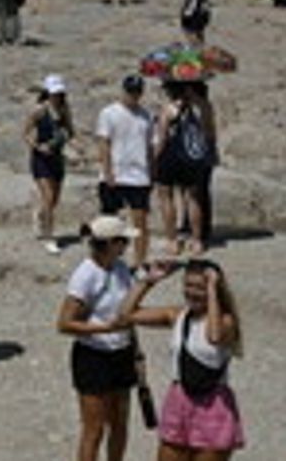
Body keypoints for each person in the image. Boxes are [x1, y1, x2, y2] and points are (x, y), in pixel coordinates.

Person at [118, 258, 245, 459]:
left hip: (213, 405)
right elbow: (126, 314)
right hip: (179, 399)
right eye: (188, 285)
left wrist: (212, 288)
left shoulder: (226, 321)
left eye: (199, 287)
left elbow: (214, 336)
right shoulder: (178, 315)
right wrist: (148, 281)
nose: (192, 293)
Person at [58, 215, 141, 461]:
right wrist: (106, 329)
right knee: (94, 429)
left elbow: (127, 313)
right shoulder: (86, 275)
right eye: (123, 241)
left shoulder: (121, 268)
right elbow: (64, 323)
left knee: (120, 423)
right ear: (112, 243)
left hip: (122, 352)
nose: (126, 245)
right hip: (94, 356)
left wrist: (136, 349)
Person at [97, 74, 155, 266]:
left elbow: (149, 147)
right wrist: (108, 172)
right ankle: (106, 260)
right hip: (115, 174)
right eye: (130, 92)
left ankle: (139, 262)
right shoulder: (109, 113)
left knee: (140, 222)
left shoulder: (146, 116)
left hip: (139, 176)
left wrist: (152, 172)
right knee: (109, 225)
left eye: (137, 92)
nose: (134, 96)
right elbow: (104, 143)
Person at [154, 82, 217, 257]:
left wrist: (154, 160)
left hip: (171, 156)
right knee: (193, 198)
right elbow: (211, 133)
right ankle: (196, 241)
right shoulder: (203, 107)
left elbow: (162, 137)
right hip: (193, 158)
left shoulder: (169, 108)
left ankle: (172, 241)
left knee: (166, 197)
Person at [26, 74, 75, 255]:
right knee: (48, 195)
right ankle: (49, 237)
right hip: (41, 159)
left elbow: (71, 131)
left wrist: (64, 139)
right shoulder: (39, 111)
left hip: (56, 157)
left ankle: (40, 217)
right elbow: (26, 133)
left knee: (54, 199)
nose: (57, 96)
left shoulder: (64, 110)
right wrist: (38, 147)